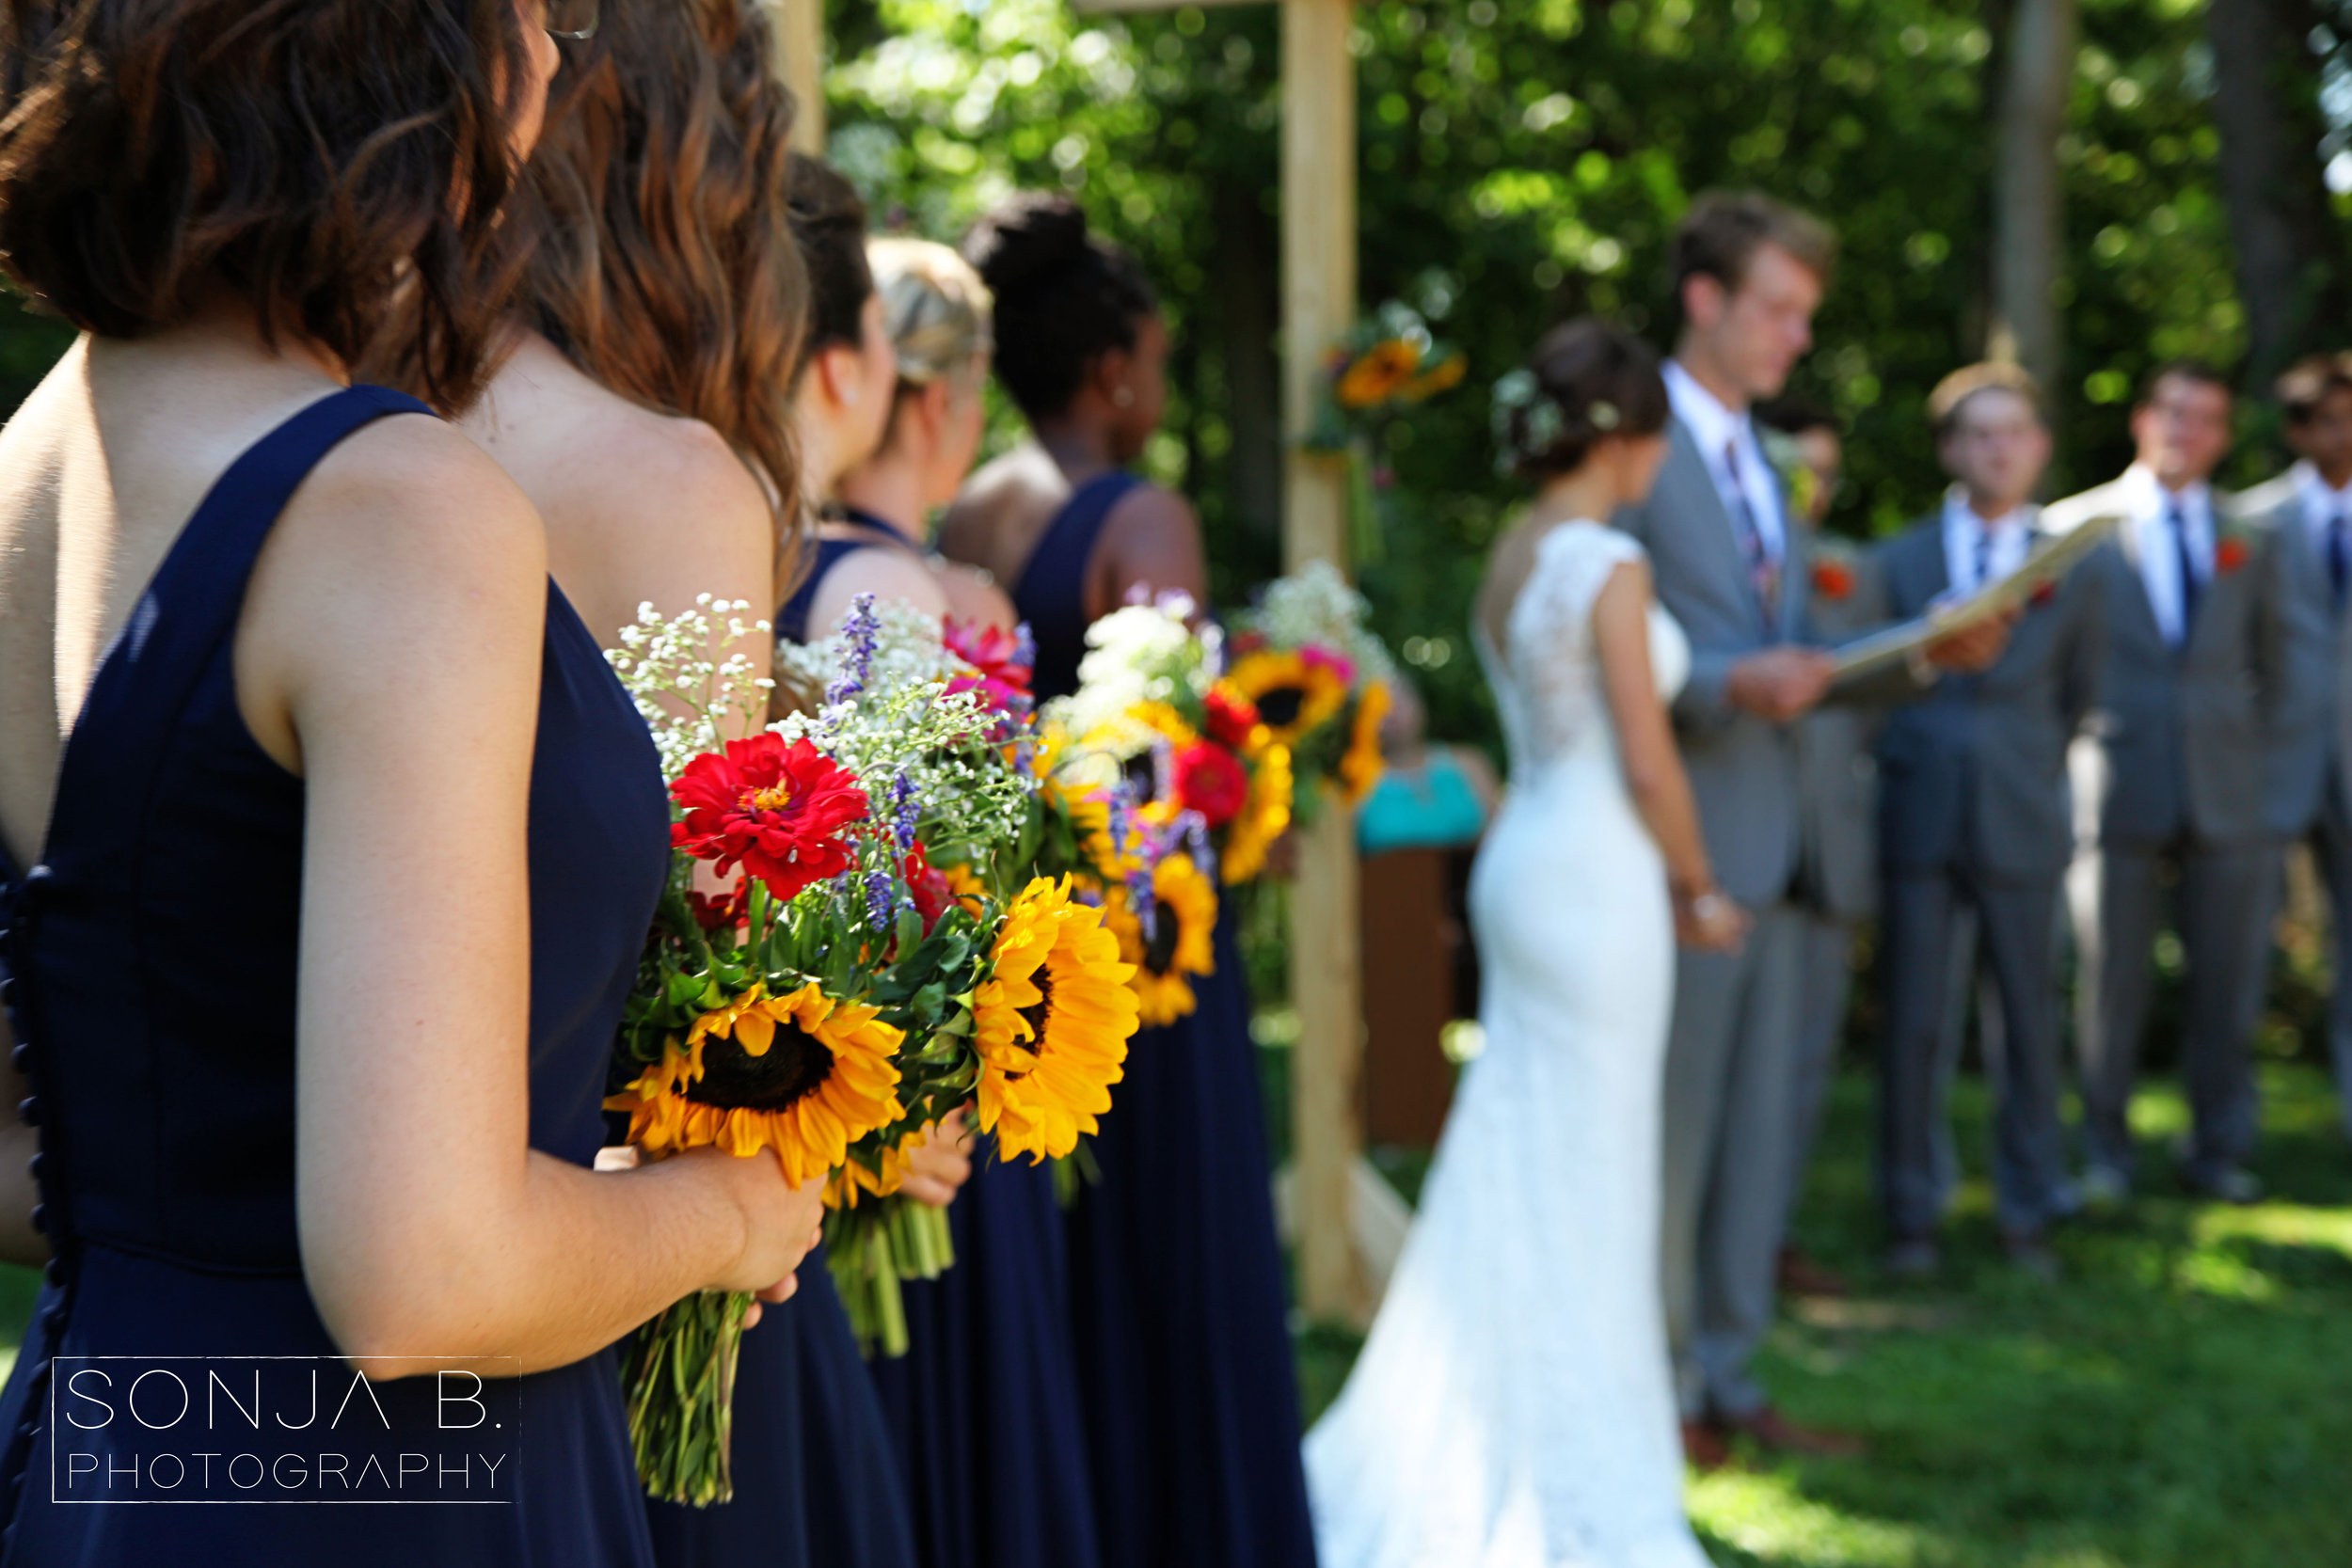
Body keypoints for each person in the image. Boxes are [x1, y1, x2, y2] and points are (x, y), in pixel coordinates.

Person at [0, 2, 819, 1560]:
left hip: (105, 1453)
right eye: (531, 8)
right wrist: (727, 1210)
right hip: (394, 1491)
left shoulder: (30, 460)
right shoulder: (393, 508)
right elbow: (419, 1279)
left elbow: (37, 1141)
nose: (560, 52)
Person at [418, 17, 922, 1568]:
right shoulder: (664, 481)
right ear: (691, 178)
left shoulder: (337, 422)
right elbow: (704, 966)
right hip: (633, 1282)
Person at [1305, 318, 1742, 1566]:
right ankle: (1578, 1471)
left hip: (1527, 859)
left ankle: (1514, 1429)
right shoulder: (1608, 559)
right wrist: (1700, 884)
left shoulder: (1517, 550)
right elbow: (1648, 758)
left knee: (1522, 1143)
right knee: (1594, 1166)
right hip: (1598, 872)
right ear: (1626, 436)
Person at [942, 193, 1318, 1568]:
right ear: (1113, 373)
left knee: (1071, 1280)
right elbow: (1174, 777)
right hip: (1144, 962)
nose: (1157, 392)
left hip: (1013, 963)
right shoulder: (1139, 513)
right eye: (1155, 363)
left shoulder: (963, 506)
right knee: (1179, 1273)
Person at [1610, 191, 2009, 1466]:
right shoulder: (1633, 446)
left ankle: (1730, 1368)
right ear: (1707, 299)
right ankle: (1657, 1380)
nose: (1796, 335)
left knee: (1765, 1136)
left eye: (1804, 313)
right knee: (1678, 1135)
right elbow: (1594, 637)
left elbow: (1813, 659)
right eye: (1777, 308)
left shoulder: (1762, 458)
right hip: (1689, 846)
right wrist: (1728, 681)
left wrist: (1928, 656)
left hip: (1790, 846)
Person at [830, 235, 1103, 1568]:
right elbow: (930, 892)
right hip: (923, 1119)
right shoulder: (932, 599)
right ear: (938, 398)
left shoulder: (752, 546)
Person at [1871, 364, 2100, 1280]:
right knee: (1915, 1024)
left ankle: (2027, 1204)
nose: (1997, 448)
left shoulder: (2078, 565)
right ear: (1949, 448)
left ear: (2038, 447)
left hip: (2021, 816)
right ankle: (1910, 1212)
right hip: (1918, 813)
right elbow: (1871, 685)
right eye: (1978, 432)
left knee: (2028, 1026)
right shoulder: (1896, 559)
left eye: (2014, 431)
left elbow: (2084, 691)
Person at [2052, 362, 2295, 1207]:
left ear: (2224, 436)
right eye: (2174, 414)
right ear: (2143, 421)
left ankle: (2217, 1150)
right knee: (2110, 980)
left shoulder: (2252, 538)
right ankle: (2104, 1154)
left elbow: (2275, 662)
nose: (2186, 432)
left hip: (2228, 790)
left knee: (2228, 982)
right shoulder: (2074, 528)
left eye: (2206, 420)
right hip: (2113, 783)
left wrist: (2258, 766)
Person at [1755, 396, 1870, 1300]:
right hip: (1737, 852)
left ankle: (1774, 1232)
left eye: (1821, 473)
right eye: (1792, 469)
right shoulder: (1711, 572)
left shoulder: (1854, 574)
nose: (1809, 490)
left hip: (1828, 847)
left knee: (1799, 1068)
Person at [2234, 353, 2352, 1142]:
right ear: (2300, 430)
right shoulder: (2249, 522)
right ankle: (2225, 1125)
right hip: (2270, 762)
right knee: (2240, 941)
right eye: (2332, 418)